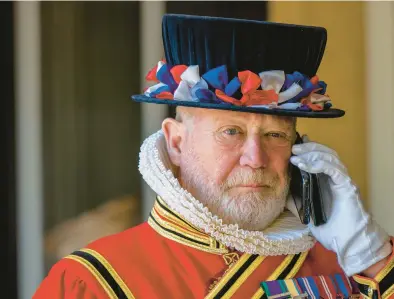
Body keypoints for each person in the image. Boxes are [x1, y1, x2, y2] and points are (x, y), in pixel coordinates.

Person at [33, 14, 394, 299]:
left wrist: (372, 254)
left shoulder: (354, 266)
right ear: (176, 143)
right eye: (231, 132)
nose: (256, 158)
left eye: (275, 135)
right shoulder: (91, 282)